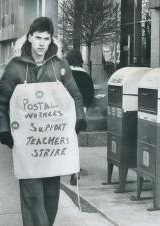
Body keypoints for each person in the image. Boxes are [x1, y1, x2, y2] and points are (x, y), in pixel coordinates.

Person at [0, 17, 86, 226]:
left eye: (46, 38)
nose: (42, 43)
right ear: (30, 38)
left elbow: (75, 95)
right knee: (32, 195)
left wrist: (79, 117)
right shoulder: (15, 68)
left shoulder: (59, 65)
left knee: (51, 194)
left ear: (51, 40)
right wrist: (4, 130)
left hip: (52, 145)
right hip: (28, 146)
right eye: (38, 38)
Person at [65, 49, 94, 185]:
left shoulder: (64, 75)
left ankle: (65, 165)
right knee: (74, 138)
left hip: (64, 111)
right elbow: (90, 98)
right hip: (80, 112)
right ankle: (74, 168)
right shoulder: (86, 76)